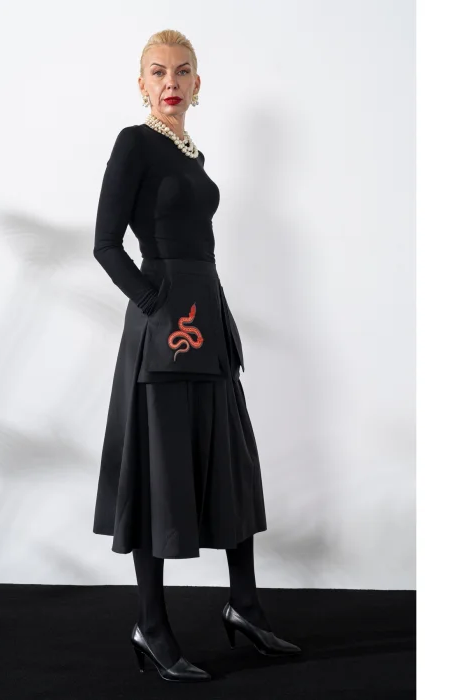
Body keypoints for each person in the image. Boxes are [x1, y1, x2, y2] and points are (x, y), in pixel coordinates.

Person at [92, 29, 301, 683]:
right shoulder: (134, 144)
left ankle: (245, 607)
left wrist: (205, 306)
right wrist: (155, 304)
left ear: (198, 83)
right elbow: (105, 244)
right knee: (159, 470)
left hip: (207, 314)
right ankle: (152, 626)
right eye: (158, 72)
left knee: (230, 461)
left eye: (182, 71)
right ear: (141, 83)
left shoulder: (192, 153)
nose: (171, 82)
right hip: (166, 327)